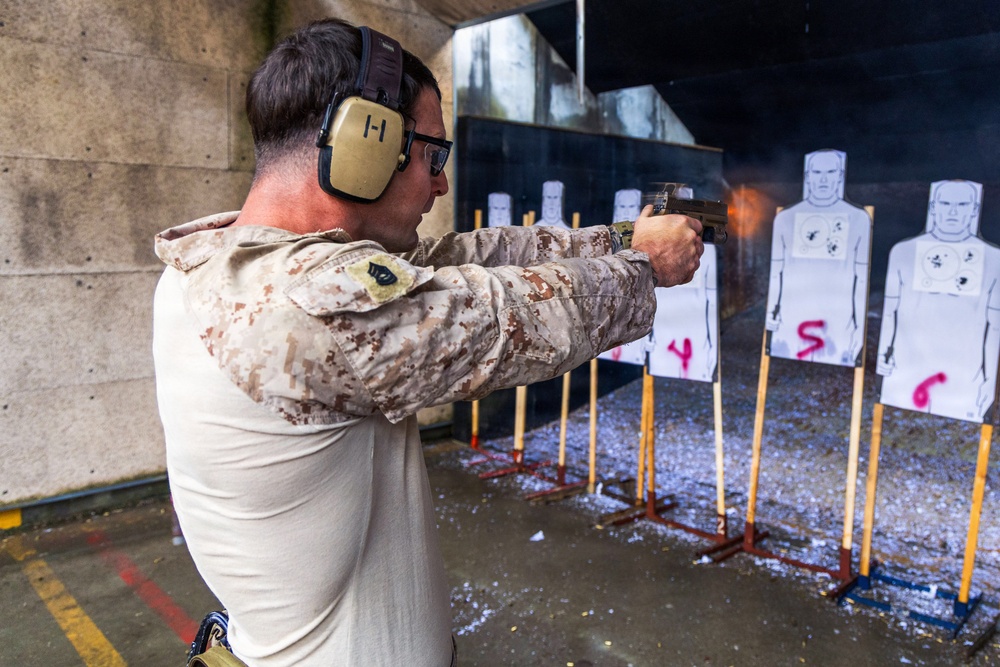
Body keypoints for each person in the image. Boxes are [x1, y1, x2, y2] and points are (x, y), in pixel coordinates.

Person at [152, 18, 702, 667]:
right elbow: (505, 314)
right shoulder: (304, 306)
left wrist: (617, 239)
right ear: (363, 145)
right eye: (432, 157)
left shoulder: (219, 263)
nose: (441, 183)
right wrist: (643, 267)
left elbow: (459, 257)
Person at [877, 179, 1000, 422]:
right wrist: (884, 354)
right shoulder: (904, 252)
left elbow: (993, 325)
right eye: (946, 203)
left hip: (964, 371)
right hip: (908, 365)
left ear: (974, 209)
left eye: (962, 204)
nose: (953, 212)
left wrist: (988, 382)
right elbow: (891, 310)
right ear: (934, 207)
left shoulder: (993, 259)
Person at [764, 149, 872, 365]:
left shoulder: (858, 219)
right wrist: (772, 314)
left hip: (837, 318)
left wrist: (857, 328)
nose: (823, 179)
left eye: (830, 172)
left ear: (839, 176)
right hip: (795, 313)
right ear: (808, 176)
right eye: (817, 172)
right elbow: (777, 274)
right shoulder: (786, 218)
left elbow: (860, 281)